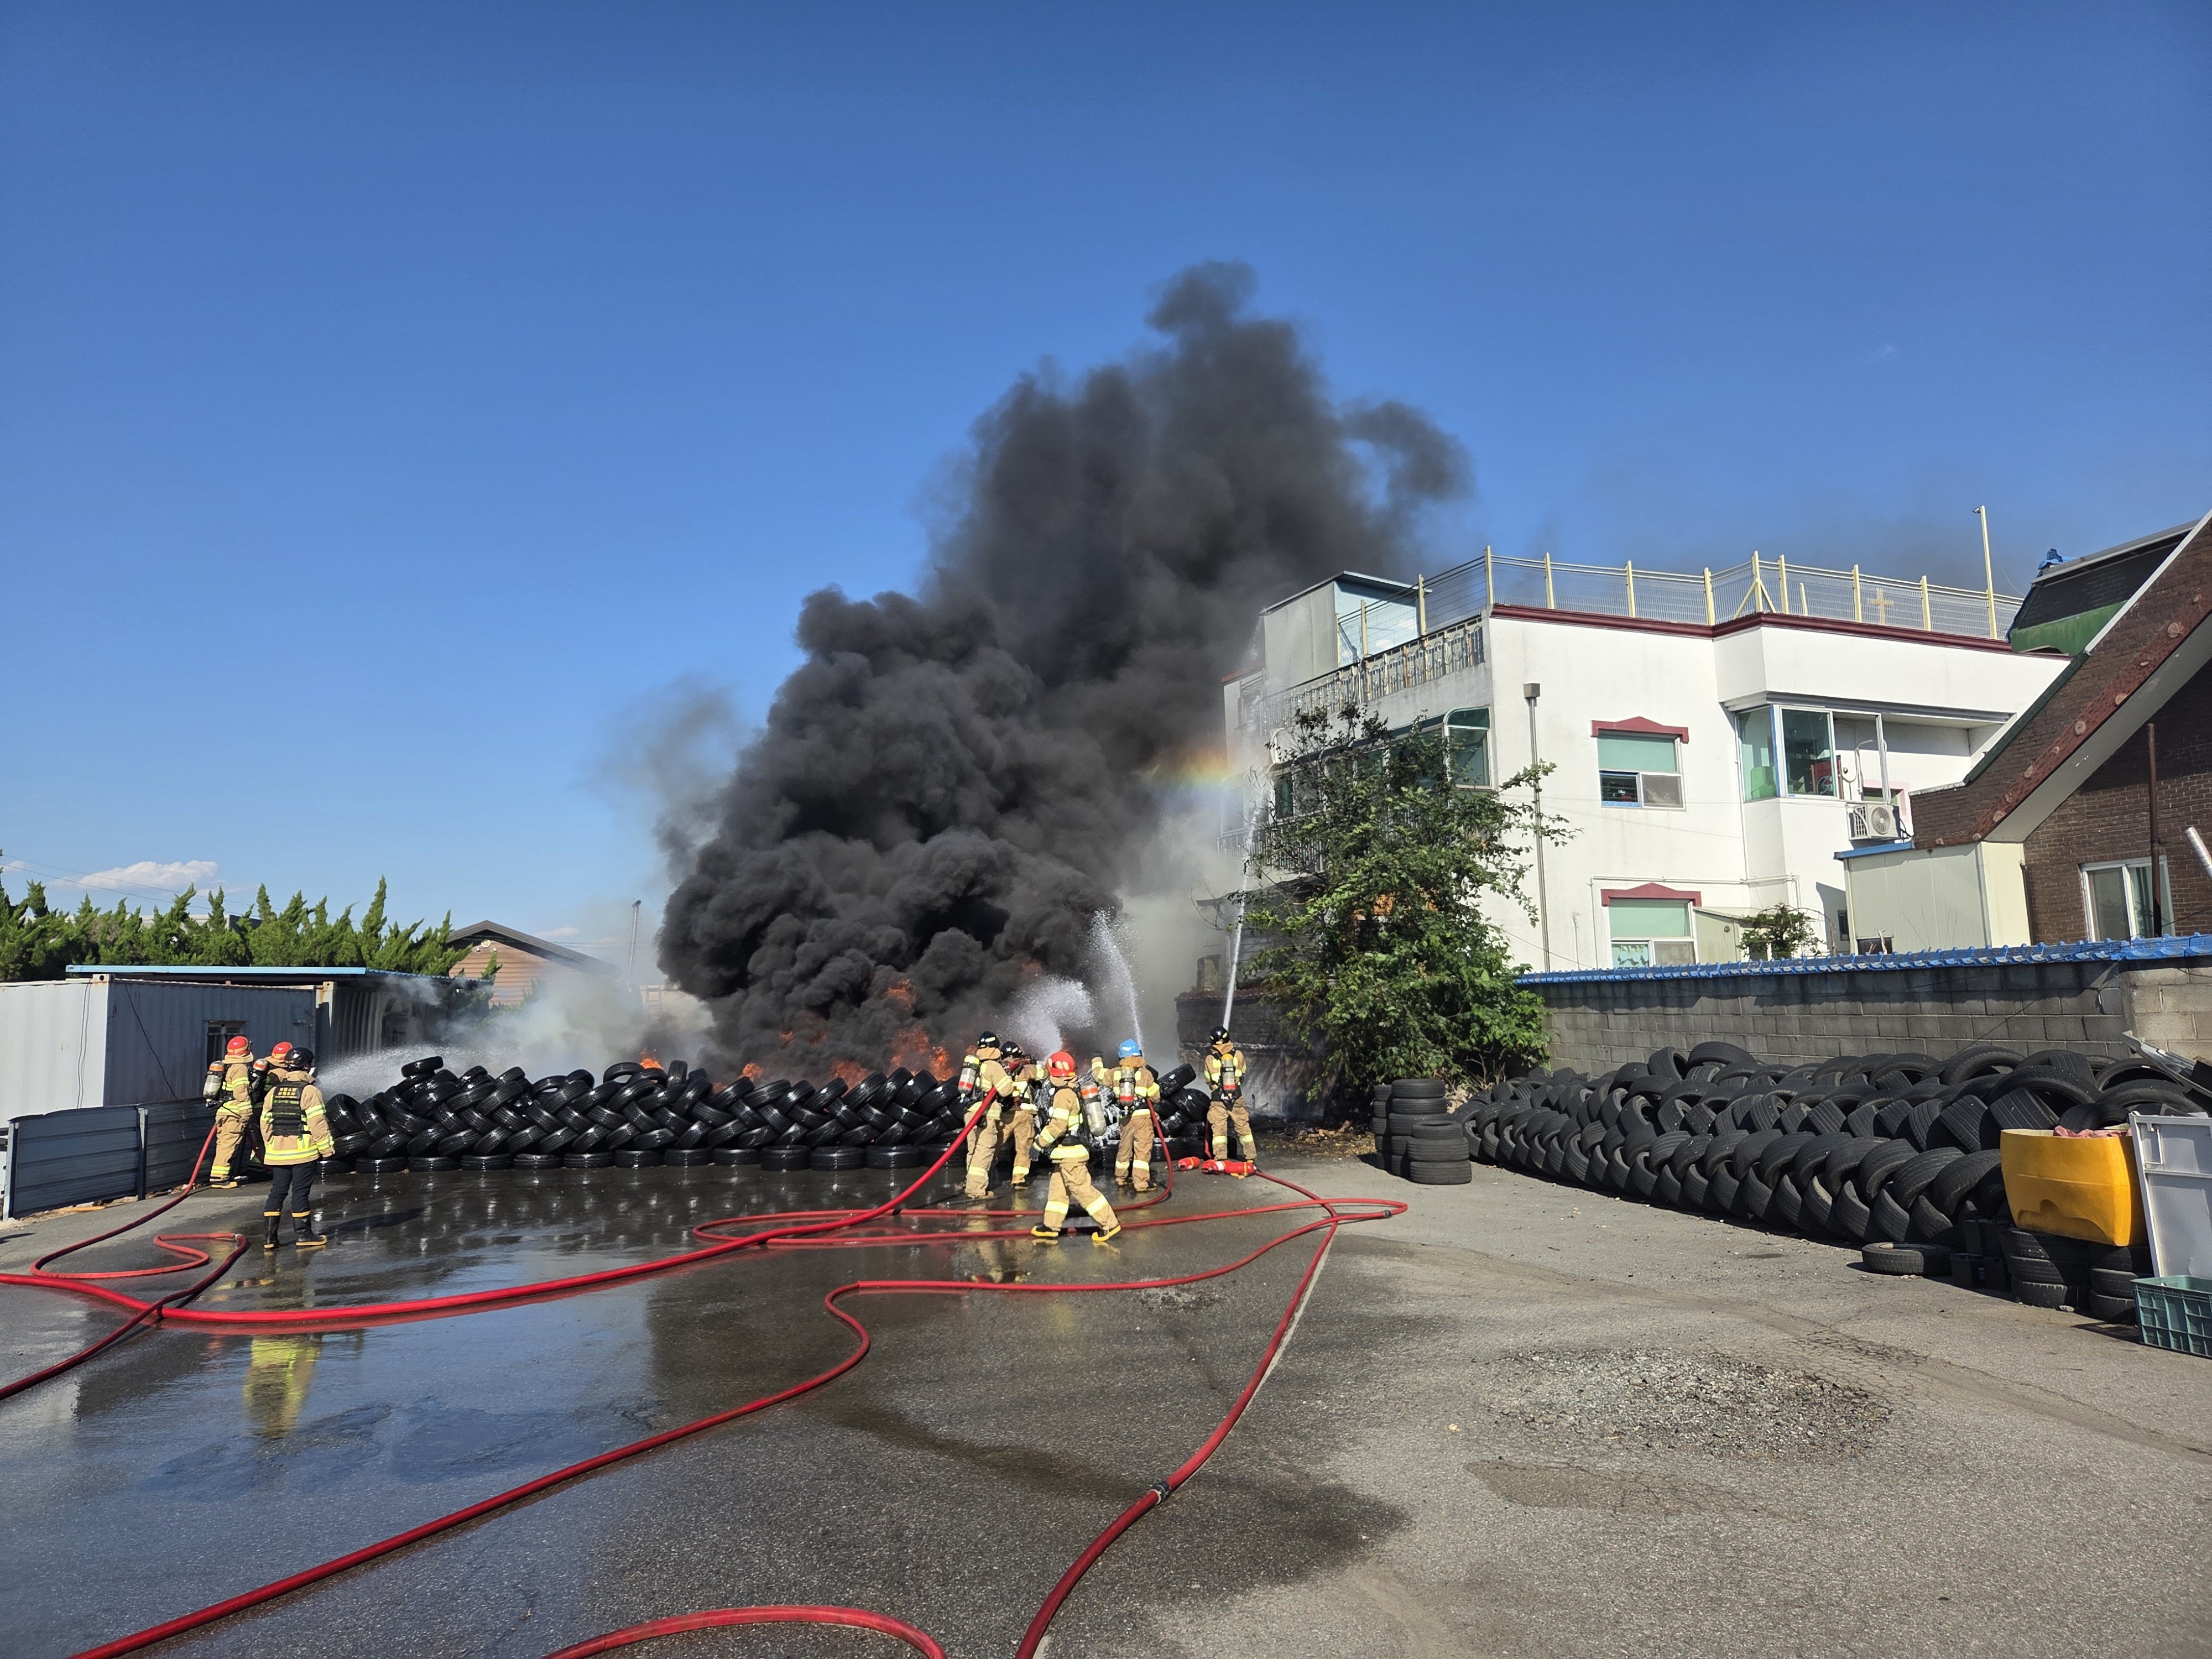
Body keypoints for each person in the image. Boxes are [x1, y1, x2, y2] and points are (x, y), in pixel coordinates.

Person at [1030, 1051, 1121, 1245]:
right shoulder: (1072, 1089)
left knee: (1082, 1191)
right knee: (1058, 1191)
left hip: (1071, 1154)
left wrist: (1038, 1144)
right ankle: (1051, 1227)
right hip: (1064, 1155)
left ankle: (1110, 1224)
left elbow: (1058, 1126)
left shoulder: (1063, 1094)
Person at [258, 1047, 334, 1250]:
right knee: (300, 1193)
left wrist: (271, 1146)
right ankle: (304, 1235)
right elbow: (318, 1124)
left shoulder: (273, 1092)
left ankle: (270, 1239)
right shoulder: (310, 1092)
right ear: (307, 1066)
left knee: (277, 1192)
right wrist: (326, 1149)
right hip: (303, 1153)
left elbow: (265, 1124)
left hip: (277, 1153)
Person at [961, 1031, 1021, 1201]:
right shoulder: (993, 1065)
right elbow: (1006, 1090)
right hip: (985, 1115)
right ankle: (977, 1191)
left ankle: (969, 1184)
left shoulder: (975, 1065)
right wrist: (1007, 1076)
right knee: (985, 1150)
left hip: (970, 1113)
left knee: (973, 1151)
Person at [1100, 1040, 1161, 1191]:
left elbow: (1100, 1076)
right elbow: (1155, 1097)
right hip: (1142, 1117)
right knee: (1142, 1149)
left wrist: (1096, 1060)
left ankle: (1121, 1178)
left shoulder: (1114, 1073)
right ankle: (1141, 1184)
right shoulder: (1145, 1074)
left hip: (1125, 1117)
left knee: (1125, 1147)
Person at [204, 1035, 258, 1188]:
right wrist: (246, 1114)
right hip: (234, 1114)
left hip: (225, 1111)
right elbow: (241, 1093)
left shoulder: (228, 1066)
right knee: (228, 1145)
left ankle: (222, 1176)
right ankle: (219, 1178)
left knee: (224, 1144)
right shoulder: (240, 1068)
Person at [1203, 1025, 1257, 1169]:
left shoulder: (1210, 1059)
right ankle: (1250, 1158)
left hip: (1218, 1100)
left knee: (1219, 1130)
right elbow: (1243, 1073)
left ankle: (1221, 1159)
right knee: (1243, 1128)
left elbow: (1208, 1079)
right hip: (1236, 1097)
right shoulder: (1238, 1055)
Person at [1003, 1041, 1042, 1186]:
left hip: (1006, 1114)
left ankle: (976, 1179)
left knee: (993, 1144)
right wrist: (1034, 1063)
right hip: (1025, 1112)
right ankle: (1019, 1180)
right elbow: (1044, 1073)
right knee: (1024, 1147)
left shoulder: (1000, 1069)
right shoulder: (1026, 1068)